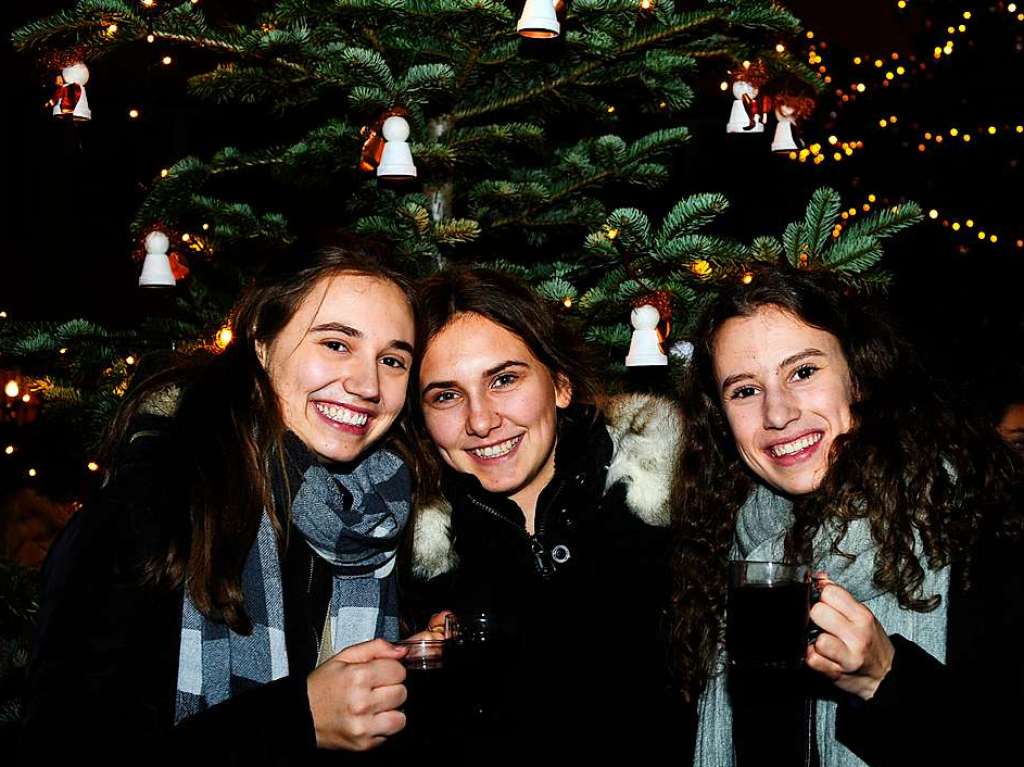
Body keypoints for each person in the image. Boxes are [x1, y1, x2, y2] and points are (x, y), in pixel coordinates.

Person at [19, 242, 421, 765]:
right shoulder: (153, 505)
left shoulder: (384, 512)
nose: (367, 385)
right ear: (261, 341)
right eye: (336, 345)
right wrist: (293, 719)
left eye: (392, 360)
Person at [670, 267, 1023, 767]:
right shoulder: (721, 548)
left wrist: (886, 679)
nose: (777, 413)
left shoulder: (979, 522)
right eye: (745, 390)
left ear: (857, 378)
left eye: (803, 372)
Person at [403, 268, 692, 764]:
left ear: (560, 384)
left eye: (505, 379)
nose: (481, 421)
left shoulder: (676, 506)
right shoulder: (405, 556)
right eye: (446, 395)